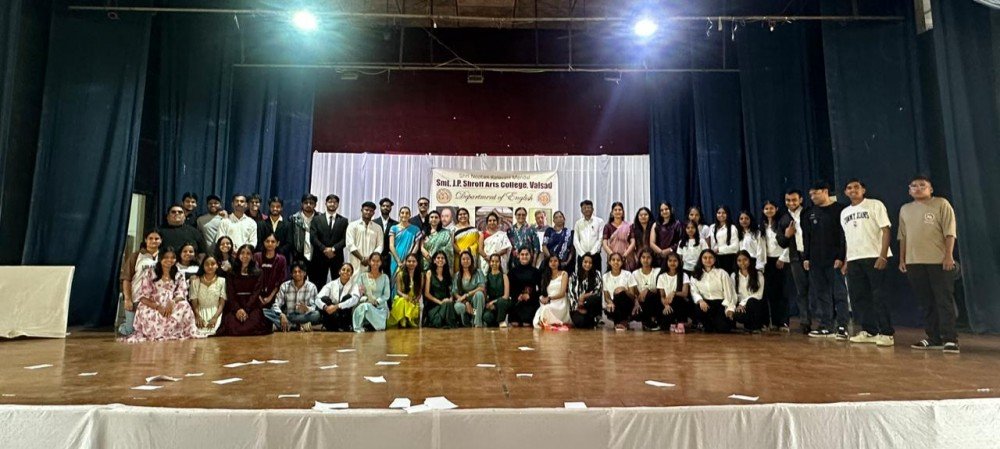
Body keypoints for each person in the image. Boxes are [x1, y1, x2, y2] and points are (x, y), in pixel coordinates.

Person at [899, 175, 959, 353]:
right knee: (926, 302)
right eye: (914, 186)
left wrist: (948, 256)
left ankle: (950, 339)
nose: (918, 188)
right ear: (909, 190)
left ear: (930, 189)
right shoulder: (905, 209)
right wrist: (903, 259)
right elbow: (903, 237)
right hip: (914, 262)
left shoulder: (941, 204)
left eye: (922, 185)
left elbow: (950, 233)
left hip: (938, 261)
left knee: (943, 300)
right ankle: (933, 337)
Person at [839, 179, 896, 346]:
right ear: (845, 192)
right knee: (859, 297)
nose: (853, 190)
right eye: (849, 188)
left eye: (856, 187)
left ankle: (886, 333)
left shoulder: (875, 205)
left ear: (863, 190)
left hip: (874, 256)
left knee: (878, 296)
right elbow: (848, 238)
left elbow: (886, 230)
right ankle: (869, 330)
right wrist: (846, 261)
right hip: (854, 259)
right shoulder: (844, 213)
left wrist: (883, 255)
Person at [120, 247, 200, 343]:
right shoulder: (150, 272)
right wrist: (158, 307)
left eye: (172, 257)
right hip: (152, 304)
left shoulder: (179, 273)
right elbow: (143, 296)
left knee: (185, 305)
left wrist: (172, 302)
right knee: (153, 315)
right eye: (166, 257)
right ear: (161, 258)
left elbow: (181, 292)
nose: (169, 260)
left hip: (171, 303)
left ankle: (175, 332)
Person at [801, 180, 848, 339]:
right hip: (815, 259)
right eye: (811, 194)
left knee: (839, 293)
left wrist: (841, 257)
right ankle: (826, 325)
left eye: (816, 193)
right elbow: (806, 237)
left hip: (834, 259)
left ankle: (842, 325)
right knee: (821, 293)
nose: (813, 197)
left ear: (825, 191)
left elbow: (843, 236)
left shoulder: (840, 209)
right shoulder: (808, 213)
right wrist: (806, 257)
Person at [776, 189, 812, 334]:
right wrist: (787, 235)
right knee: (801, 290)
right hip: (796, 258)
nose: (791, 203)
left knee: (818, 289)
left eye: (794, 200)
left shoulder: (809, 213)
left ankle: (825, 322)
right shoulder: (784, 219)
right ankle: (805, 322)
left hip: (812, 256)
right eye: (788, 200)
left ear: (801, 200)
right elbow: (781, 242)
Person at [215, 245, 271, 336]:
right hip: (235, 305)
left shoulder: (258, 272)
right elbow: (230, 293)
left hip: (252, 305)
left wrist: (246, 310)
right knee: (232, 325)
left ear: (252, 256)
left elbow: (256, 293)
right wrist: (237, 309)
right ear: (238, 255)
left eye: (248, 253)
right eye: (242, 253)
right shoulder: (231, 272)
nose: (245, 256)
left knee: (252, 325)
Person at [118, 229, 161, 336]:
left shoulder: (164, 257)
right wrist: (128, 299)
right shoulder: (136, 256)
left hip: (153, 300)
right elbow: (126, 279)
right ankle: (124, 326)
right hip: (136, 298)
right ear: (145, 240)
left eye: (156, 239)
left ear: (161, 240)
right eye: (150, 238)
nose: (153, 241)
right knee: (131, 331)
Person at [690, 249, 737, 333]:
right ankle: (707, 324)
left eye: (710, 257)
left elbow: (729, 293)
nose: (708, 260)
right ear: (701, 259)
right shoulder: (695, 274)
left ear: (715, 259)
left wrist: (730, 308)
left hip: (720, 304)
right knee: (707, 326)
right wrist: (700, 300)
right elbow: (694, 291)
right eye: (705, 258)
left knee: (723, 329)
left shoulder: (722, 273)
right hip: (705, 303)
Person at [760, 200, 790, 331]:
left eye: (771, 208)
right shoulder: (762, 225)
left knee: (782, 292)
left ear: (776, 209)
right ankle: (773, 322)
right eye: (766, 208)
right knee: (769, 293)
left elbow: (788, 242)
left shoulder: (782, 223)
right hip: (767, 261)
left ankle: (783, 322)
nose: (769, 211)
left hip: (781, 260)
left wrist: (782, 258)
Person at [265, 261, 320, 332]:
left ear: (304, 273)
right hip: (288, 315)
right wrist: (281, 315)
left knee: (317, 315)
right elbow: (276, 304)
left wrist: (307, 309)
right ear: (291, 274)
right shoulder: (285, 286)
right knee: (264, 312)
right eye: (295, 272)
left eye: (300, 271)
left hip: (304, 316)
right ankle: (298, 326)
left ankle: (289, 325)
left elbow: (314, 307)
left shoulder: (312, 287)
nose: (297, 274)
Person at [310, 194, 349, 285]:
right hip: (319, 256)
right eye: (330, 202)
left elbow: (345, 239)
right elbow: (313, 238)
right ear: (326, 203)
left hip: (336, 256)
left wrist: (333, 249)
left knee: (338, 283)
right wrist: (324, 249)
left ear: (338, 204)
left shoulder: (343, 221)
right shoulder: (316, 219)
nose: (332, 204)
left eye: (335, 202)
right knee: (318, 283)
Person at [502, 247, 542, 327]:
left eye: (526, 254)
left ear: (530, 255)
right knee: (514, 324)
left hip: (531, 302)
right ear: (518, 256)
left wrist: (530, 296)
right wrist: (517, 296)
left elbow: (540, 290)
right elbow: (509, 289)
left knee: (526, 324)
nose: (524, 256)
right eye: (522, 254)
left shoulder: (536, 272)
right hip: (516, 302)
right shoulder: (512, 271)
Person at [315, 263, 361, 332]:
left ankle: (341, 325)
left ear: (351, 274)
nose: (345, 272)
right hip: (331, 315)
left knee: (348, 297)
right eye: (343, 269)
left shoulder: (354, 285)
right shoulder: (331, 284)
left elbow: (355, 299)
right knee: (324, 299)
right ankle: (335, 325)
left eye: (348, 270)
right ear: (339, 272)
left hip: (344, 316)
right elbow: (317, 299)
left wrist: (337, 306)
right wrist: (325, 307)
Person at [353, 252, 391, 332]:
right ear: (369, 262)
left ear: (381, 262)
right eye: (373, 261)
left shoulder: (385, 277)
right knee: (365, 307)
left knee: (367, 307)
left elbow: (386, 295)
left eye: (378, 261)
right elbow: (359, 293)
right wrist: (367, 300)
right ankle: (365, 324)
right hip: (366, 304)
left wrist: (377, 301)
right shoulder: (362, 276)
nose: (375, 263)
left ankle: (373, 324)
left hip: (380, 307)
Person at [189, 256, 226, 336]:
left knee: (215, 331)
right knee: (197, 331)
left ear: (217, 265)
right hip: (199, 311)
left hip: (216, 312)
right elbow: (194, 301)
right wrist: (197, 316)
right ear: (203, 266)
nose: (210, 266)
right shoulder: (195, 281)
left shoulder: (222, 281)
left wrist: (215, 317)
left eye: (213, 264)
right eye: (207, 264)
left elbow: (221, 303)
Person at [423, 251, 460, 328]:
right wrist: (440, 302)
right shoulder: (429, 273)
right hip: (433, 305)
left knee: (449, 304)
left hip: (446, 303)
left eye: (442, 258)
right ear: (434, 260)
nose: (440, 260)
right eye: (438, 258)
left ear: (445, 261)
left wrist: (450, 299)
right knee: (438, 321)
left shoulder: (448, 274)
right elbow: (426, 294)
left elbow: (451, 291)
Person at [732, 250, 767, 333]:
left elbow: (759, 295)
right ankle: (750, 325)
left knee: (752, 302)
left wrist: (743, 303)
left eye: (745, 259)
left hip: (755, 304)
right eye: (739, 260)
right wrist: (738, 305)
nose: (742, 263)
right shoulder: (734, 276)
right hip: (741, 306)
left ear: (749, 260)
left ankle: (756, 326)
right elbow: (733, 294)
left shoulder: (758, 274)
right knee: (737, 315)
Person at [533, 255, 570, 330]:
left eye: (555, 261)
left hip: (560, 302)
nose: (553, 263)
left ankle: (552, 322)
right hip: (549, 301)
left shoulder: (564, 274)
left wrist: (549, 298)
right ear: (548, 263)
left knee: (546, 309)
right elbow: (543, 292)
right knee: (538, 318)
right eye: (551, 261)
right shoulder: (545, 276)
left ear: (559, 262)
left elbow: (562, 293)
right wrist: (543, 298)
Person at [345, 201, 384, 273]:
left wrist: (370, 258)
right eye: (366, 210)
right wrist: (362, 259)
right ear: (361, 210)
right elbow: (350, 244)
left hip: (372, 263)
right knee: (355, 279)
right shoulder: (352, 225)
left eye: (371, 211)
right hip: (356, 261)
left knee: (371, 279)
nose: (368, 212)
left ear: (373, 213)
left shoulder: (378, 228)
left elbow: (380, 246)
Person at [603, 252, 637, 331]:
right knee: (612, 304)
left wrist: (624, 290)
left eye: (618, 260)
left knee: (620, 294)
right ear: (609, 262)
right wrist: (610, 302)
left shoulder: (628, 274)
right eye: (613, 260)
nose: (616, 262)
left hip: (626, 303)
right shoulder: (605, 276)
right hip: (614, 304)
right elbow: (606, 297)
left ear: (622, 262)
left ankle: (623, 322)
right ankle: (619, 322)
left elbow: (632, 296)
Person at [656, 253, 690, 331]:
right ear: (666, 262)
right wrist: (666, 305)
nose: (672, 263)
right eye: (670, 261)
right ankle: (673, 322)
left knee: (677, 299)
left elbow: (685, 293)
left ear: (679, 262)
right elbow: (662, 296)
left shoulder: (684, 275)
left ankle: (681, 322)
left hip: (680, 303)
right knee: (664, 327)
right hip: (667, 303)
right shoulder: (662, 276)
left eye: (675, 261)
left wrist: (674, 293)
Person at [569, 253, 604, 329]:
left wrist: (584, 296)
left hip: (590, 307)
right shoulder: (574, 275)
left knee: (594, 299)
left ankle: (593, 318)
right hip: (577, 307)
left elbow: (597, 291)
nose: (587, 264)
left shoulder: (597, 274)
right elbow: (571, 294)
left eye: (590, 263)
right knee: (581, 322)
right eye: (585, 262)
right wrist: (578, 306)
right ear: (581, 262)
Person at [388, 254, 423, 328]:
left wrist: (416, 299)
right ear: (405, 262)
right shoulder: (400, 274)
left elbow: (420, 292)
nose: (411, 263)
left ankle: (408, 320)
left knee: (412, 305)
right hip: (402, 298)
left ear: (417, 263)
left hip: (413, 300)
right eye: (409, 261)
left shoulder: (420, 275)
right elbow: (398, 291)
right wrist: (404, 296)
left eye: (413, 261)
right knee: (402, 301)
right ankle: (403, 321)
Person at [452, 250, 486, 327]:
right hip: (465, 302)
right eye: (463, 259)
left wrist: (467, 294)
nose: (466, 261)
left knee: (479, 294)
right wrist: (465, 302)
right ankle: (468, 321)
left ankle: (477, 322)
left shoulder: (478, 272)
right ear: (460, 261)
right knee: (458, 306)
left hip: (476, 301)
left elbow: (482, 287)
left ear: (471, 260)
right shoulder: (457, 275)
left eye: (468, 259)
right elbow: (455, 292)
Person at [254, 234, 288, 309]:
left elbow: (281, 280)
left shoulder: (281, 259)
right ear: (264, 242)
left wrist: (270, 297)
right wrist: (258, 296)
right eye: (267, 241)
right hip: (256, 296)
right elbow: (252, 279)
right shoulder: (256, 257)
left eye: (273, 242)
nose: (270, 244)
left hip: (274, 296)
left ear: (277, 243)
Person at [289, 194, 319, 280]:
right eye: (306, 202)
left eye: (311, 203)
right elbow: (290, 239)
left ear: (315, 205)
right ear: (302, 204)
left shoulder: (320, 218)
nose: (308, 205)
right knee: (299, 281)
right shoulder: (294, 219)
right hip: (299, 254)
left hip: (316, 255)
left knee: (317, 282)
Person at [389, 206, 423, 279]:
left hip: (410, 260)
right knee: (394, 280)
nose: (404, 215)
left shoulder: (416, 229)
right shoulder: (393, 228)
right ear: (399, 214)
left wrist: (408, 259)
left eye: (407, 213)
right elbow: (391, 245)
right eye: (402, 213)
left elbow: (417, 245)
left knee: (407, 280)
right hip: (395, 258)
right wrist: (398, 261)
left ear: (410, 215)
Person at [632, 249, 662, 330]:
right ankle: (646, 321)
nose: (645, 260)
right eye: (643, 257)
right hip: (641, 302)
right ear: (640, 259)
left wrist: (647, 290)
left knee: (649, 295)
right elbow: (635, 292)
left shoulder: (658, 271)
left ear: (652, 259)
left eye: (648, 257)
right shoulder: (635, 273)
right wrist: (636, 302)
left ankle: (654, 319)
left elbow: (660, 290)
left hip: (656, 301)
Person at [573, 199, 605, 274]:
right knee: (581, 277)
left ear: (593, 209)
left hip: (595, 256)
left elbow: (600, 239)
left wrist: (592, 252)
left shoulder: (599, 221)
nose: (587, 209)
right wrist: (582, 254)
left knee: (596, 277)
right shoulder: (578, 223)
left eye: (588, 207)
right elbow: (576, 240)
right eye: (584, 208)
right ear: (581, 210)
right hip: (582, 256)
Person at [650, 202, 683, 269]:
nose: (664, 211)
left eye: (666, 209)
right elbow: (652, 243)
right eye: (662, 210)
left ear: (671, 210)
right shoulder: (656, 225)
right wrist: (661, 252)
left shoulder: (677, 224)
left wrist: (669, 250)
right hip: (658, 257)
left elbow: (680, 241)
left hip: (673, 257)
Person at [603, 202, 634, 271]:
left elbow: (633, 242)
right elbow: (604, 244)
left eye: (620, 210)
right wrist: (613, 255)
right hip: (612, 259)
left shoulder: (629, 226)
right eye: (615, 210)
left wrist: (624, 255)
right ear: (612, 212)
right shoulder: (607, 226)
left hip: (626, 258)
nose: (618, 212)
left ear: (623, 212)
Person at [542, 211, 575, 275]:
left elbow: (571, 249)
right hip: (550, 263)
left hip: (564, 264)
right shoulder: (549, 231)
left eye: (560, 217)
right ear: (553, 220)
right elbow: (544, 246)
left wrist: (567, 262)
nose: (558, 219)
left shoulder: (569, 232)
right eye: (556, 217)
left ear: (564, 219)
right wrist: (552, 259)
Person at [483, 254, 510, 327]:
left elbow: (506, 296)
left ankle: (501, 321)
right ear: (489, 263)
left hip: (502, 302)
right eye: (492, 261)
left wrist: (494, 302)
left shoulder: (504, 276)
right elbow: (485, 295)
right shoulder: (486, 277)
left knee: (501, 302)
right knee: (487, 316)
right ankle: (494, 323)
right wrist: (488, 304)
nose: (494, 263)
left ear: (500, 263)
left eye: (497, 261)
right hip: (491, 304)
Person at [711, 205, 740, 273]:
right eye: (719, 213)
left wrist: (719, 249)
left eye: (724, 213)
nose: (721, 215)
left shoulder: (732, 228)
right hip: (716, 259)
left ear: (728, 214)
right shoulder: (712, 227)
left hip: (729, 259)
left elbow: (736, 247)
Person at [374, 197, 398, 267]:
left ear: (391, 208)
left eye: (388, 206)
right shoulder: (373, 223)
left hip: (390, 257)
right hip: (375, 256)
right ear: (380, 207)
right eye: (383, 206)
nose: (385, 208)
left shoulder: (396, 224)